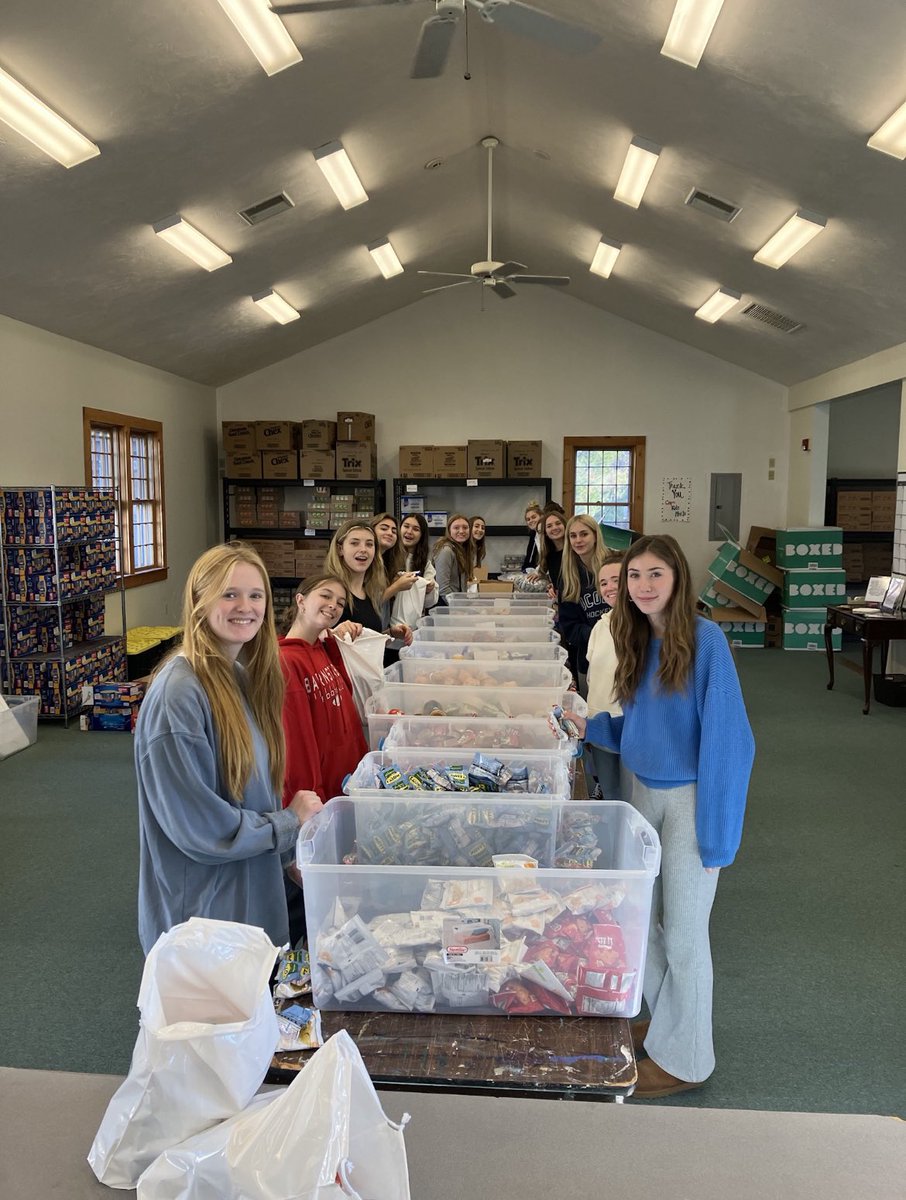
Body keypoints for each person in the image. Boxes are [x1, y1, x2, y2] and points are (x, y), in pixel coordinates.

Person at [577, 534, 755, 1098]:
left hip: (691, 800)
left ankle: (688, 1060)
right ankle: (667, 1025)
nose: (644, 586)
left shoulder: (706, 642)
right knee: (638, 923)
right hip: (641, 793)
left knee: (683, 934)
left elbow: (731, 741)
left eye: (656, 574)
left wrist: (718, 830)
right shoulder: (637, 637)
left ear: (677, 579)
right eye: (634, 576)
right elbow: (643, 728)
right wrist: (588, 726)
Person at [134, 542, 323, 955]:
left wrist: (288, 855)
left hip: (247, 903)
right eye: (229, 594)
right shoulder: (178, 696)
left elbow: (250, 791)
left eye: (256, 595)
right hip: (202, 921)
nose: (246, 606)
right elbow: (198, 826)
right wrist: (287, 824)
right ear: (199, 600)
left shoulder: (239, 677)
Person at [278, 573, 368, 807]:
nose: (333, 605)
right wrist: (313, 800)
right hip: (322, 799)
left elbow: (347, 709)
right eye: (326, 596)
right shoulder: (286, 662)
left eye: (340, 602)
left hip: (347, 783)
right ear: (301, 601)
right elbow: (297, 745)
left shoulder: (321, 648)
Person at [324, 519, 413, 657]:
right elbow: (311, 643)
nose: (363, 549)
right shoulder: (329, 593)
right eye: (354, 543)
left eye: (369, 544)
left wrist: (390, 634)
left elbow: (365, 645)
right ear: (340, 549)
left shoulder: (368, 591)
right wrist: (334, 634)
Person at [584, 552, 624, 800]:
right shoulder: (601, 626)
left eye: (616, 580)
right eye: (603, 583)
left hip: (628, 726)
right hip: (600, 723)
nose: (610, 588)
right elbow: (592, 677)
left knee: (632, 796)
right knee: (610, 792)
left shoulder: (646, 628)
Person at [558, 514, 608, 691]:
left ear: (595, 535)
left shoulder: (613, 565)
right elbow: (569, 625)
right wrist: (598, 633)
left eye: (584, 534)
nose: (578, 540)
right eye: (573, 536)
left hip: (622, 653)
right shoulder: (568, 576)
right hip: (588, 658)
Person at [431, 513, 474, 603]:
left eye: (465, 527)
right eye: (456, 528)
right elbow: (443, 589)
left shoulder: (462, 550)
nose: (461, 531)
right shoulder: (446, 551)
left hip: (454, 603)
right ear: (449, 531)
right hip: (445, 604)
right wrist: (458, 608)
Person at [399, 513, 438, 611]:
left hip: (413, 620)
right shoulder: (388, 557)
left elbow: (429, 603)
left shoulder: (425, 564)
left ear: (422, 535)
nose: (409, 531)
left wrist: (429, 590)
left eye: (416, 529)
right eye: (406, 526)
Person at [537, 509, 566, 594]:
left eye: (558, 523)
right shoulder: (549, 555)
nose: (554, 528)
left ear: (565, 525)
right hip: (561, 603)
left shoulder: (575, 551)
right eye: (549, 526)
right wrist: (551, 586)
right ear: (545, 532)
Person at [521, 502, 543, 572]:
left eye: (534, 517)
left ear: (542, 516)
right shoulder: (534, 534)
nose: (531, 521)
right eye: (528, 519)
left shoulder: (547, 534)